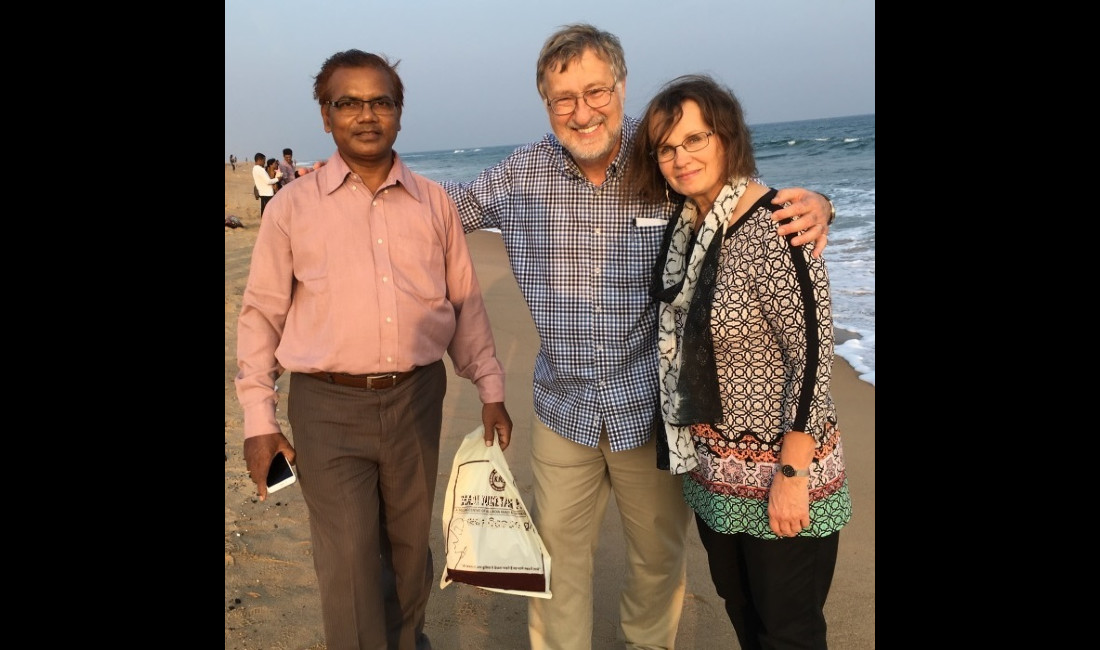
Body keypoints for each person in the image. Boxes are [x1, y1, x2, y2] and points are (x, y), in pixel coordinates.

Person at [440, 23, 834, 650]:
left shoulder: (662, 160)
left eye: (596, 90)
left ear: (622, 87)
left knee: (656, 565)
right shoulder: (521, 174)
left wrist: (820, 201)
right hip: (562, 408)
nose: (582, 111)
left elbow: (740, 197)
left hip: (653, 414)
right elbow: (441, 211)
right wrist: (365, 186)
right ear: (546, 105)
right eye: (562, 98)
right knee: (556, 566)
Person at [235, 49, 513, 650]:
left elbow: (464, 302)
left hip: (417, 398)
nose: (367, 115)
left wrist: (490, 389)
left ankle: (405, 639)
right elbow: (259, 318)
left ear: (399, 112)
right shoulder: (291, 209)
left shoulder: (435, 203)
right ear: (326, 115)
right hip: (326, 408)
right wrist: (261, 421)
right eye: (349, 102)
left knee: (410, 550)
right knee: (351, 559)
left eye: (380, 101)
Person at [627, 74, 851, 650]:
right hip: (716, 473)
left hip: (781, 469)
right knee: (743, 612)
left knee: (789, 631)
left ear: (728, 138)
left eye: (696, 139)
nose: (681, 158)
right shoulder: (689, 226)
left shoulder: (778, 222)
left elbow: (812, 357)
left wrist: (793, 476)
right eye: (668, 148)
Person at [252, 152, 281, 217]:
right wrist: (278, 179)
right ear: (260, 160)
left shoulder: (254, 169)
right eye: (263, 161)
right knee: (268, 212)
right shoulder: (260, 169)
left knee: (264, 211)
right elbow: (268, 181)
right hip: (267, 194)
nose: (264, 163)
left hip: (262, 193)